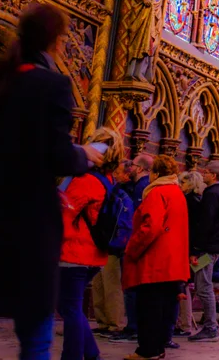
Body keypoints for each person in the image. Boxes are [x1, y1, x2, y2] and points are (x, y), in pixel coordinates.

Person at [0, 3, 104, 359]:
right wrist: (85, 154)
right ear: (56, 42)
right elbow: (60, 157)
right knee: (34, 335)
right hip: (26, 229)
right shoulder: (52, 86)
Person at [57, 127, 126, 360]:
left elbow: (65, 215)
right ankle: (91, 353)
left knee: (70, 308)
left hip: (74, 253)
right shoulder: (108, 180)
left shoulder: (85, 180)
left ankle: (73, 356)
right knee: (71, 306)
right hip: (94, 255)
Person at [122, 154, 190, 360]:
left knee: (149, 306)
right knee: (165, 308)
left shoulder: (157, 192)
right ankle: (159, 347)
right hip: (172, 260)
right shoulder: (177, 192)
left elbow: (151, 226)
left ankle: (147, 350)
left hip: (155, 260)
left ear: (157, 173)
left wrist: (132, 248)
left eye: (151, 172)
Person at [112, 153, 155, 345]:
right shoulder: (136, 186)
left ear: (139, 168)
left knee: (132, 288)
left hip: (133, 242)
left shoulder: (143, 187)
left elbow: (140, 218)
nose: (130, 168)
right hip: (132, 241)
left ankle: (133, 327)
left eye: (133, 165)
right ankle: (134, 326)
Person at [187, 160, 219, 342]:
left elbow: (206, 223)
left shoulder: (212, 193)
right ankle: (209, 325)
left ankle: (211, 327)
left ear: (213, 175)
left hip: (206, 249)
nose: (203, 175)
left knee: (204, 286)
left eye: (205, 172)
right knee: (201, 284)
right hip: (212, 247)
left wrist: (195, 248)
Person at [92, 159, 133, 336]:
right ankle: (102, 321)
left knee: (111, 286)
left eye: (118, 172)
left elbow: (123, 223)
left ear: (127, 174)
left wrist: (116, 243)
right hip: (100, 243)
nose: (115, 175)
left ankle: (114, 323)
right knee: (98, 285)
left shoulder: (125, 194)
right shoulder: (114, 190)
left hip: (113, 245)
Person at [174, 170, 205, 338]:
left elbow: (189, 228)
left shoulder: (189, 201)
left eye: (183, 183)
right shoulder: (198, 201)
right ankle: (183, 323)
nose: (180, 186)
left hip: (186, 248)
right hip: (194, 249)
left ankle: (183, 324)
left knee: (182, 285)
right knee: (184, 284)